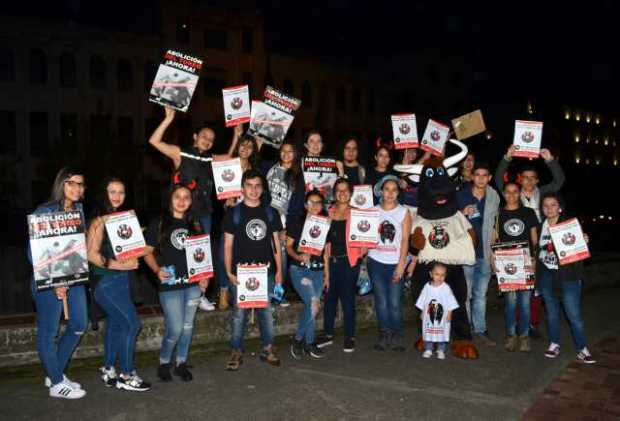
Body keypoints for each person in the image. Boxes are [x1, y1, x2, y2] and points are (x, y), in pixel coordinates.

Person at [148, 107, 241, 312]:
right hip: (180, 212)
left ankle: (200, 294)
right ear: (195, 136)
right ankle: (176, 289)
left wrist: (236, 136)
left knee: (201, 255)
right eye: (204, 136)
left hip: (203, 213)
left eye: (211, 139)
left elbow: (228, 157)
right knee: (178, 252)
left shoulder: (209, 158)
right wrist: (168, 119)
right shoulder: (180, 154)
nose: (207, 140)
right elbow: (154, 141)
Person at [86, 177, 150, 391]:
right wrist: (123, 266)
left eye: (121, 192)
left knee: (115, 325)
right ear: (104, 193)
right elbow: (91, 255)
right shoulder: (98, 221)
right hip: (105, 283)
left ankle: (107, 368)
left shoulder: (123, 218)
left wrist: (139, 247)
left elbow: (130, 251)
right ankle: (126, 374)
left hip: (121, 282)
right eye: (112, 191)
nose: (117, 196)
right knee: (133, 324)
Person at [29, 167, 88, 399]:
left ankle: (56, 373)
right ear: (61, 184)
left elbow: (76, 249)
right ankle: (55, 383)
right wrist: (54, 280)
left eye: (80, 184)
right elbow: (32, 252)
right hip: (45, 280)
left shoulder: (79, 211)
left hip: (74, 277)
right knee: (49, 331)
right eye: (70, 183)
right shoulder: (45, 211)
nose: (76, 188)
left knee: (79, 324)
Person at [495, 146, 565, 338]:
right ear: (519, 179)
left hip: (538, 245)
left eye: (532, 178)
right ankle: (517, 323)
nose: (528, 181)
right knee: (515, 291)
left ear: (537, 180)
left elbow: (559, 180)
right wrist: (506, 157)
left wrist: (550, 160)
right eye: (525, 177)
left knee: (534, 288)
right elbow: (498, 178)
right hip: (513, 248)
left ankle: (532, 324)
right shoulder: (512, 193)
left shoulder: (543, 193)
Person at [143, 185, 208, 382]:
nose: (181, 201)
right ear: (170, 199)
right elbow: (147, 251)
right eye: (177, 197)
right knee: (176, 328)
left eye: (186, 197)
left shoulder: (195, 224)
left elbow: (203, 254)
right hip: (170, 284)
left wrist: (205, 276)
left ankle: (181, 363)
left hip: (192, 285)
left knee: (188, 327)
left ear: (191, 201)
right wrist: (156, 270)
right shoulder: (160, 222)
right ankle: (164, 362)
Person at [223, 169, 284, 370]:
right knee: (239, 314)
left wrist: (279, 272)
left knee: (266, 312)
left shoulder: (270, 212)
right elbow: (228, 245)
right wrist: (229, 271)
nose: (253, 189)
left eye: (258, 185)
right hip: (240, 273)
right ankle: (236, 349)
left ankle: (267, 348)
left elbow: (276, 244)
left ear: (262, 188)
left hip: (265, 271)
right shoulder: (234, 213)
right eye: (249, 185)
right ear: (242, 188)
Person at [537, 192, 595, 364]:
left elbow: (579, 248)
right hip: (547, 274)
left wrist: (584, 240)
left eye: (553, 204)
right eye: (545, 205)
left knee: (573, 314)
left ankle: (582, 348)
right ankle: (554, 343)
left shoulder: (569, 225)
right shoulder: (541, 226)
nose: (549, 208)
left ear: (560, 207)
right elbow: (537, 250)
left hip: (568, 275)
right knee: (551, 313)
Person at [316, 178, 365, 353]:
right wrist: (327, 273)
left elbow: (367, 241)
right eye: (339, 190)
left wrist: (359, 254)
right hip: (331, 261)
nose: (342, 193)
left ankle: (349, 336)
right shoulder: (327, 213)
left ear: (351, 193)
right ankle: (328, 334)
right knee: (329, 299)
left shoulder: (358, 213)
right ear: (334, 192)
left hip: (348, 263)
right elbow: (324, 245)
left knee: (348, 301)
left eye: (346, 190)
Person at [457, 162, 500, 346]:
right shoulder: (461, 195)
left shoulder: (494, 196)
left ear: (489, 178)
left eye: (485, 175)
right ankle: (467, 329)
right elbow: (449, 219)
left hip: (485, 253)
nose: (481, 178)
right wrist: (461, 212)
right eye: (478, 174)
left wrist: (495, 252)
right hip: (466, 252)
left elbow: (496, 223)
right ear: (472, 176)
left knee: (480, 294)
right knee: (465, 293)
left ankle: (480, 329)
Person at [491, 182, 539, 352]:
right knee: (510, 303)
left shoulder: (528, 212)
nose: (511, 195)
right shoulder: (498, 214)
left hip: (525, 262)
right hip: (507, 264)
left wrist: (534, 260)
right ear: (503, 194)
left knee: (525, 303)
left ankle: (524, 336)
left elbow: (534, 239)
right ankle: (511, 335)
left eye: (515, 192)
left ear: (519, 193)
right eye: (508, 192)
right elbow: (494, 239)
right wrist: (493, 261)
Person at [367, 176, 411, 351]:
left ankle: (397, 334)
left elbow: (406, 239)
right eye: (387, 189)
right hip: (376, 261)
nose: (390, 193)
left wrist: (402, 264)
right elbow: (365, 234)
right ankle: (384, 333)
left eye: (394, 189)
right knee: (381, 301)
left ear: (398, 192)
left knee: (394, 302)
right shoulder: (373, 211)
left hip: (395, 263)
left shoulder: (403, 212)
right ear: (381, 191)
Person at [286, 190, 330, 359]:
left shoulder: (325, 224)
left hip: (318, 271)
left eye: (318, 202)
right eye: (311, 202)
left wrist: (327, 275)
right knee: (313, 305)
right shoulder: (297, 223)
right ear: (305, 205)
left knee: (312, 307)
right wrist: (298, 256)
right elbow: (288, 246)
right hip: (300, 269)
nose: (315, 205)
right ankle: (300, 340)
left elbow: (326, 253)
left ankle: (308, 342)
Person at [415, 262, 459, 359]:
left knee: (442, 332)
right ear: (431, 274)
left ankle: (440, 349)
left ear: (445, 275)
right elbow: (423, 299)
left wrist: (450, 313)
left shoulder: (446, 288)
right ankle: (428, 349)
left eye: (442, 275)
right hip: (429, 315)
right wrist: (422, 311)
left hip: (442, 316)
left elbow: (451, 301)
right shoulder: (427, 287)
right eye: (437, 274)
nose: (440, 277)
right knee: (428, 332)